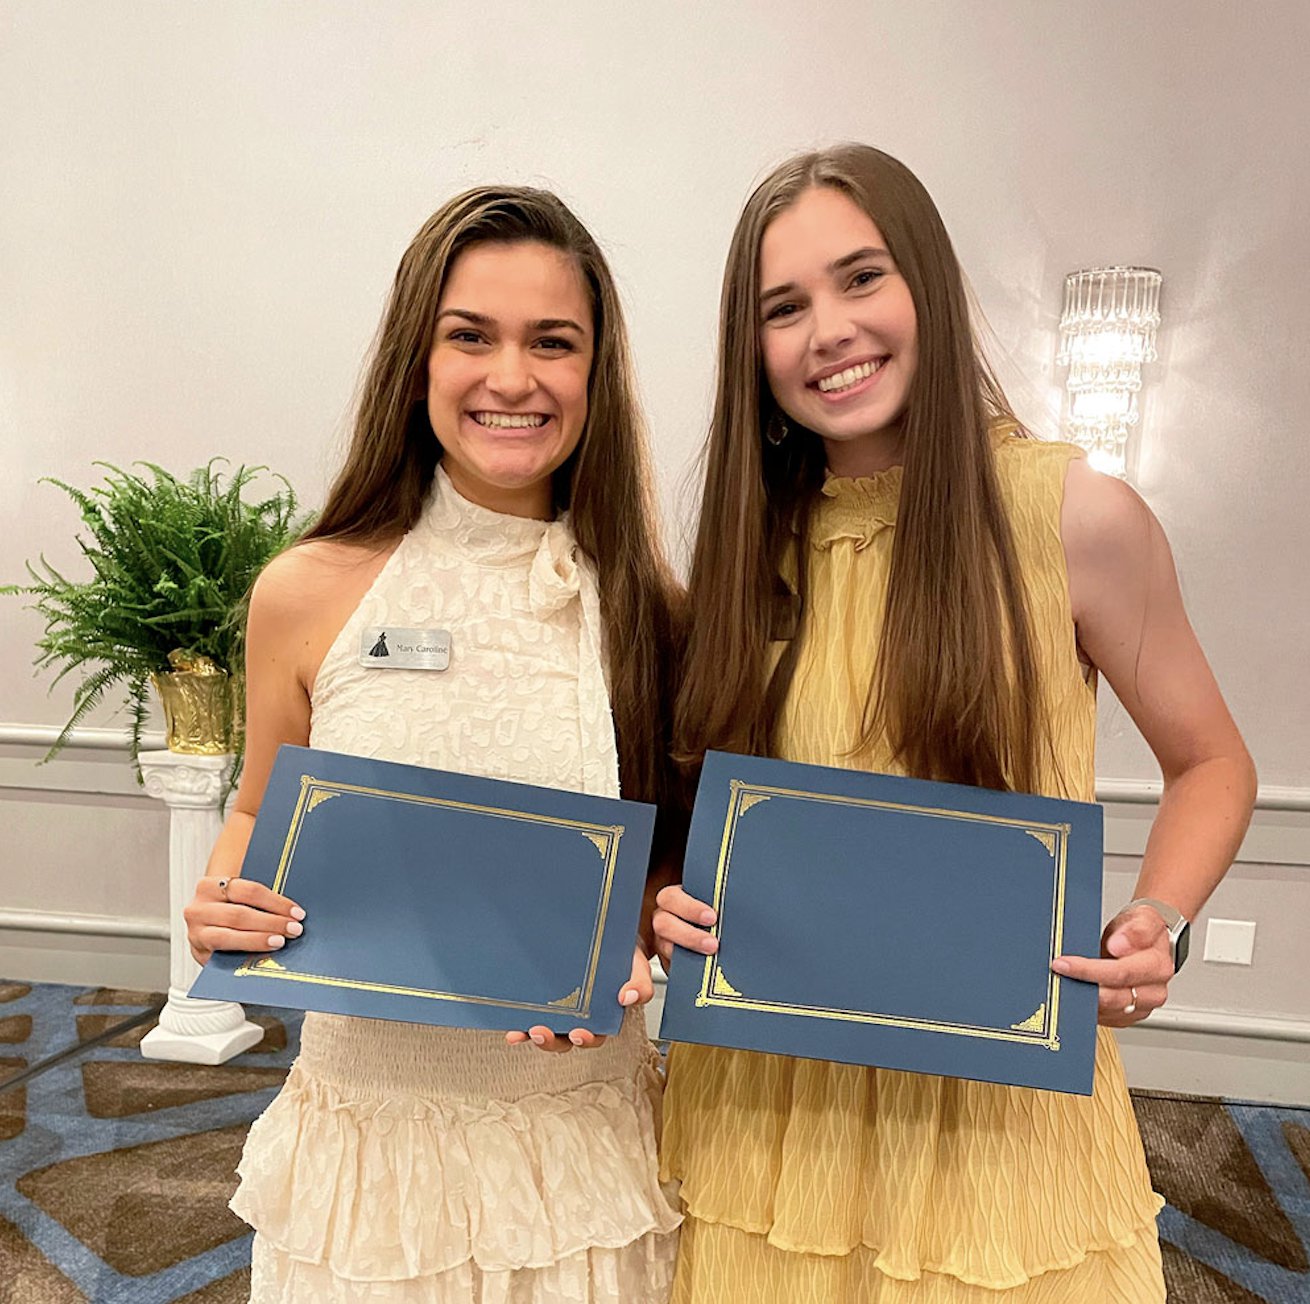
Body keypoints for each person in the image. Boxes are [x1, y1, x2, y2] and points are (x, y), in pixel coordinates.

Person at [653, 145, 1256, 1303]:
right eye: (783, 308)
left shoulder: (1071, 515)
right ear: (752, 349)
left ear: (925, 285)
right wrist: (665, 891)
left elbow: (1211, 759)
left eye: (859, 278)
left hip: (989, 1097)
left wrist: (1158, 916)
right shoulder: (745, 552)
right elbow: (709, 810)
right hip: (770, 1107)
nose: (826, 330)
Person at [184, 186, 682, 1302]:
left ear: (596, 376)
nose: (511, 377)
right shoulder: (308, 588)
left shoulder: (655, 610)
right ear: (417, 360)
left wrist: (641, 935)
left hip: (575, 1144)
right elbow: (264, 810)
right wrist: (223, 894)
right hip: (370, 1141)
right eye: (470, 335)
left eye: (552, 342)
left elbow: (664, 860)